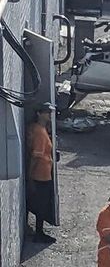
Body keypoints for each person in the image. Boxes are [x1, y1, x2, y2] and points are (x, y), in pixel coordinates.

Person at [26, 103, 57, 243]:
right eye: (46, 112)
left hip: (43, 172)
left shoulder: (39, 129)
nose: (49, 115)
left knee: (39, 203)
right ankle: (39, 233)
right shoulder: (39, 131)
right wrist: (30, 176)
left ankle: (37, 230)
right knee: (42, 205)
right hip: (41, 174)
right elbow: (35, 156)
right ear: (39, 113)